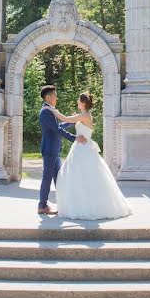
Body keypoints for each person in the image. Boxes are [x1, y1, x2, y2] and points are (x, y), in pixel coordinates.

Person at [50, 92, 132, 220]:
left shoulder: (84, 116)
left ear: (82, 103)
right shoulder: (84, 115)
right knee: (78, 176)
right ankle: (79, 204)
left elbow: (66, 119)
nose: (77, 102)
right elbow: (71, 120)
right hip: (81, 148)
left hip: (83, 149)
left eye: (78, 100)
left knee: (82, 177)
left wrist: (52, 110)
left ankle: (84, 206)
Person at [37, 85, 87, 215]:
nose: (57, 98)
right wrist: (75, 138)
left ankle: (63, 204)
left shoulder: (49, 110)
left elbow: (58, 126)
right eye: (55, 95)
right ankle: (42, 205)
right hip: (49, 149)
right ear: (48, 97)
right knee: (47, 177)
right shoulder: (46, 112)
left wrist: (72, 121)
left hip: (54, 149)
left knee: (59, 178)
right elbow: (57, 130)